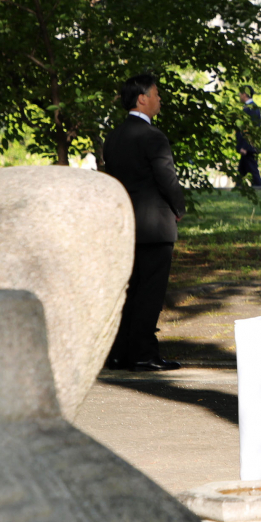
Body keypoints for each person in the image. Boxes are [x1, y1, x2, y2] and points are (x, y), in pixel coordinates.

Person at [103, 73, 186, 372]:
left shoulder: (113, 136)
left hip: (124, 225)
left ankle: (117, 353)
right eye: (156, 94)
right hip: (154, 226)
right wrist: (179, 207)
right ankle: (143, 354)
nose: (159, 99)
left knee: (128, 291)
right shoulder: (153, 136)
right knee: (149, 293)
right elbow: (167, 178)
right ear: (142, 98)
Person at [235, 86, 261, 188]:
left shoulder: (250, 109)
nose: (239, 96)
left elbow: (250, 130)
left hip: (248, 147)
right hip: (248, 146)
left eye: (240, 93)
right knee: (242, 171)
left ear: (244, 94)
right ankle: (238, 187)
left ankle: (259, 188)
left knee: (253, 171)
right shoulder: (250, 108)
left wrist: (245, 146)